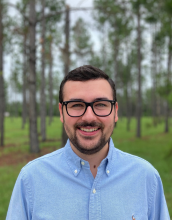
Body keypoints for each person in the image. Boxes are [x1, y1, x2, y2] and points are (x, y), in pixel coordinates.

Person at [6, 65, 170, 220]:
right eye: (76, 105)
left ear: (115, 111)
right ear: (61, 113)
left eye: (100, 104)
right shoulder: (31, 180)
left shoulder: (146, 178)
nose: (89, 117)